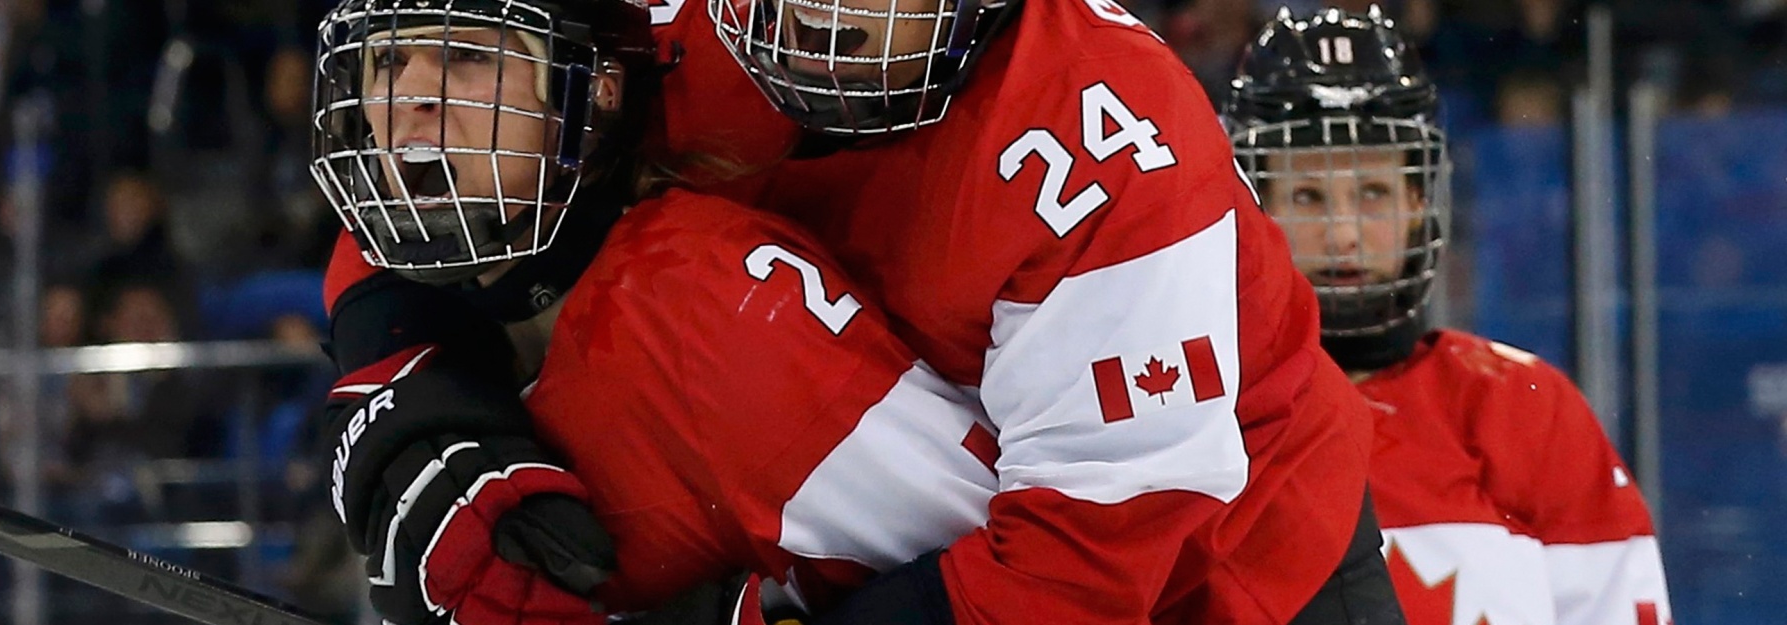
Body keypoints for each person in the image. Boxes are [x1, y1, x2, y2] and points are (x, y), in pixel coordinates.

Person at [671, 0, 1408, 622]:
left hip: (1237, 561)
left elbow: (1083, 558)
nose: (817, 7)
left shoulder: (1107, 137)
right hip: (977, 503)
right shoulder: (684, 39)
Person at [306, 2, 1002, 624]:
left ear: (592, 95)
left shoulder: (715, 310)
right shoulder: (442, 341)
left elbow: (1007, 580)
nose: (410, 96)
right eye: (387, 60)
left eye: (467, 56)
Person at [1222, 8, 1674, 625]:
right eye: (1307, 196)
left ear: (1419, 202)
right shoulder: (1200, 413)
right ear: (1254, 205)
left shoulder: (1521, 408)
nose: (1344, 233)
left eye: (1374, 193)